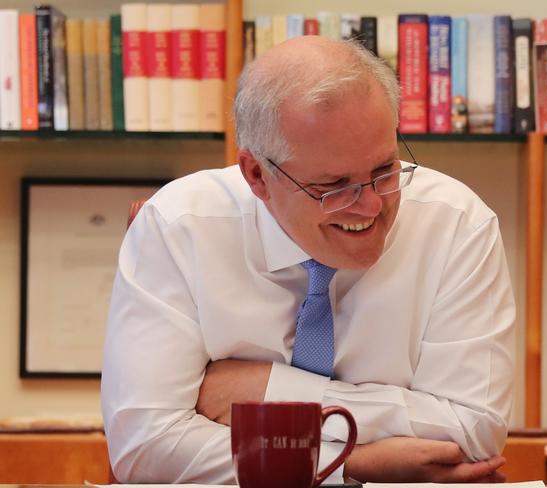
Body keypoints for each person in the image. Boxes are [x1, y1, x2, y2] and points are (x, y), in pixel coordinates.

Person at [101, 36, 515, 484]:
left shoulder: (456, 223)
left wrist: (269, 393)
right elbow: (146, 449)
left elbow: (474, 431)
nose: (371, 206)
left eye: (384, 171)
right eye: (334, 186)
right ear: (257, 175)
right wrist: (351, 465)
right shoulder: (178, 226)